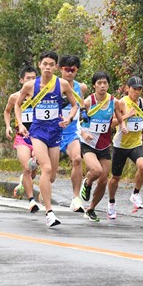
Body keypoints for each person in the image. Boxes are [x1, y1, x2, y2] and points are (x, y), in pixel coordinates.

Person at [15, 50, 78, 228]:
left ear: (56, 67)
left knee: (51, 176)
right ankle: (49, 213)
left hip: (55, 131)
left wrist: (69, 118)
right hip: (38, 131)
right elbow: (17, 105)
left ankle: (40, 175)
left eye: (51, 65)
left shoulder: (63, 84)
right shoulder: (30, 86)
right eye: (45, 64)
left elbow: (74, 105)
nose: (48, 67)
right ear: (40, 65)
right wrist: (20, 124)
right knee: (47, 168)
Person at [79, 71, 123, 222]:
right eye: (99, 83)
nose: (103, 86)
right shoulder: (88, 102)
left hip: (104, 145)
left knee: (104, 179)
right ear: (94, 85)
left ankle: (91, 209)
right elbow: (75, 122)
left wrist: (122, 125)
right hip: (88, 143)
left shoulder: (114, 101)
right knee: (96, 171)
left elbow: (118, 117)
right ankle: (87, 182)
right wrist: (84, 134)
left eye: (105, 83)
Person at [108, 75, 143, 219]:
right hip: (120, 145)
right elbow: (113, 122)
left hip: (135, 144)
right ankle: (111, 203)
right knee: (115, 177)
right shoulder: (121, 103)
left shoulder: (142, 102)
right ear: (127, 88)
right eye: (134, 89)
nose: (137, 92)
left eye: (139, 89)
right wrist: (125, 118)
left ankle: (135, 194)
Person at [4, 65, 40, 213]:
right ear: (21, 80)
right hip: (22, 137)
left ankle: (22, 182)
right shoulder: (15, 97)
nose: (31, 81)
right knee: (26, 168)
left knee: (33, 170)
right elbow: (7, 111)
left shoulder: (41, 95)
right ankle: (31, 201)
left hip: (38, 138)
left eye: (33, 78)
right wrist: (8, 126)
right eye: (28, 78)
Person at [58, 55, 88, 213]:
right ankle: (42, 191)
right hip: (54, 131)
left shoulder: (81, 87)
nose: (70, 73)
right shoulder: (52, 86)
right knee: (49, 170)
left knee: (77, 159)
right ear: (60, 69)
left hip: (71, 131)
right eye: (66, 69)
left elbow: (82, 107)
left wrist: (82, 124)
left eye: (73, 70)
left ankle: (76, 198)